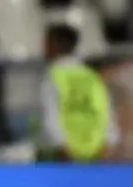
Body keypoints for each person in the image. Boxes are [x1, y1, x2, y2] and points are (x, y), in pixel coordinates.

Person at [36, 23, 118, 161]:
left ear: (53, 44)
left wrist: (62, 148)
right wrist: (106, 146)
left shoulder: (53, 76)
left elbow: (50, 116)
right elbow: (105, 113)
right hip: (95, 152)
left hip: (65, 155)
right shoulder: (92, 76)